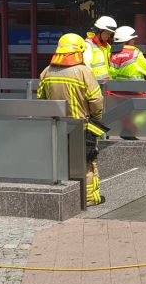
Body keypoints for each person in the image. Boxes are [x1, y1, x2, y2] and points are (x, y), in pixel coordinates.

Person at [38, 33, 106, 206]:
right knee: (87, 163)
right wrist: (96, 117)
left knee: (61, 162)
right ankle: (89, 198)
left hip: (57, 126)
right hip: (81, 126)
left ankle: (65, 198)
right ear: (79, 51)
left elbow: (41, 100)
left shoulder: (47, 72)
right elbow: (96, 99)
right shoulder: (83, 71)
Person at [110, 26, 146, 140]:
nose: (135, 42)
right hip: (136, 90)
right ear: (128, 40)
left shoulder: (112, 53)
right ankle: (129, 130)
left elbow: (111, 72)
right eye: (133, 40)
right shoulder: (135, 52)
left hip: (117, 92)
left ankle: (126, 130)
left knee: (125, 114)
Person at [84, 16, 117, 81]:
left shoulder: (107, 46)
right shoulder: (88, 45)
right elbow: (86, 67)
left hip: (106, 84)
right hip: (95, 85)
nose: (109, 36)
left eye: (110, 34)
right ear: (100, 30)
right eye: (107, 33)